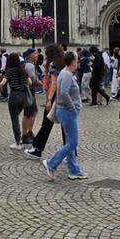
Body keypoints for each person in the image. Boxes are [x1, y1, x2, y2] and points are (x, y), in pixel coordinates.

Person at [42, 51, 87, 181]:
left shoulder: (64, 72)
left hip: (64, 111)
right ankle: (51, 163)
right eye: (77, 60)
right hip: (67, 112)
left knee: (69, 142)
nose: (78, 62)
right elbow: (63, 93)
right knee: (73, 142)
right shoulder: (67, 74)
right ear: (73, 61)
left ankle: (74, 170)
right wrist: (73, 108)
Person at [24, 44, 65, 159]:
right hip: (66, 95)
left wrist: (48, 100)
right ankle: (70, 153)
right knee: (66, 125)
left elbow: (54, 83)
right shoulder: (65, 62)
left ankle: (37, 149)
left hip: (56, 96)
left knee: (46, 123)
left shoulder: (53, 64)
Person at [0, 52, 32, 149]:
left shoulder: (10, 71)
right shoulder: (23, 70)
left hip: (14, 96)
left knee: (15, 120)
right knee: (17, 116)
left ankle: (18, 143)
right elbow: (29, 82)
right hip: (23, 96)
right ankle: (21, 138)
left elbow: (3, 82)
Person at [21, 47, 41, 144]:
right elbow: (33, 80)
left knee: (34, 111)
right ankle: (25, 135)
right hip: (28, 91)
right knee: (28, 113)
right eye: (35, 53)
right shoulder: (29, 65)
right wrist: (41, 83)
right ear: (30, 55)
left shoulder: (30, 64)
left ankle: (29, 131)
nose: (37, 55)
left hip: (30, 91)